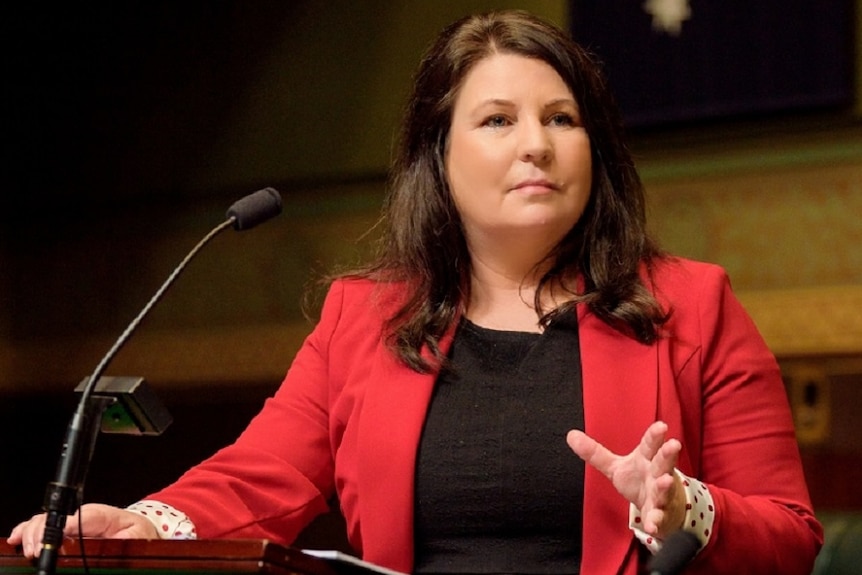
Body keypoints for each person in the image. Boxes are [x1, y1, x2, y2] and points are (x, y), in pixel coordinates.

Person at [8, 9, 822, 575]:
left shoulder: (694, 304)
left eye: (563, 119)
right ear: (439, 154)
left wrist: (685, 510)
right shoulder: (363, 318)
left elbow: (791, 538)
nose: (537, 144)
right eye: (497, 120)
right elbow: (256, 478)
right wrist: (141, 522)